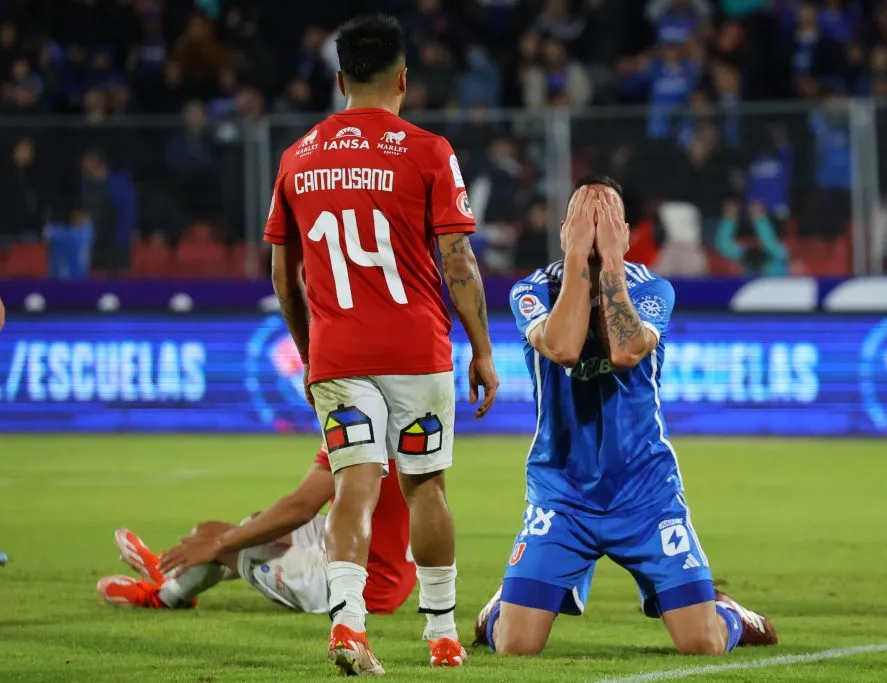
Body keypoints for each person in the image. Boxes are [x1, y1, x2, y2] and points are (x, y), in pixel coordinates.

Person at [263, 13, 498, 676]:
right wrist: (480, 347)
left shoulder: (298, 156)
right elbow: (458, 259)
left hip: (340, 355)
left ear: (340, 79)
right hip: (417, 352)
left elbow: (284, 275)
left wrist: (312, 350)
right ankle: (444, 634)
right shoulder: (427, 150)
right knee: (425, 487)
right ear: (403, 79)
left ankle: (347, 623)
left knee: (354, 487)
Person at [475, 176, 777, 657]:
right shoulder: (532, 290)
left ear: (625, 233)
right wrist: (579, 259)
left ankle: (728, 613)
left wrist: (610, 262)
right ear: (564, 231)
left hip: (645, 493)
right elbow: (563, 348)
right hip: (562, 494)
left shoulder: (653, 288)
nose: (594, 229)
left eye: (606, 219)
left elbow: (626, 351)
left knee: (702, 644)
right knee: (514, 646)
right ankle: (501, 609)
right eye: (583, 219)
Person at [96, 447, 414, 615]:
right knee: (239, 526)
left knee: (226, 544)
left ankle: (165, 596)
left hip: (367, 586)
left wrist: (220, 544)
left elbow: (300, 508)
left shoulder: (352, 421)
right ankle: (172, 567)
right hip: (370, 550)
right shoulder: (382, 412)